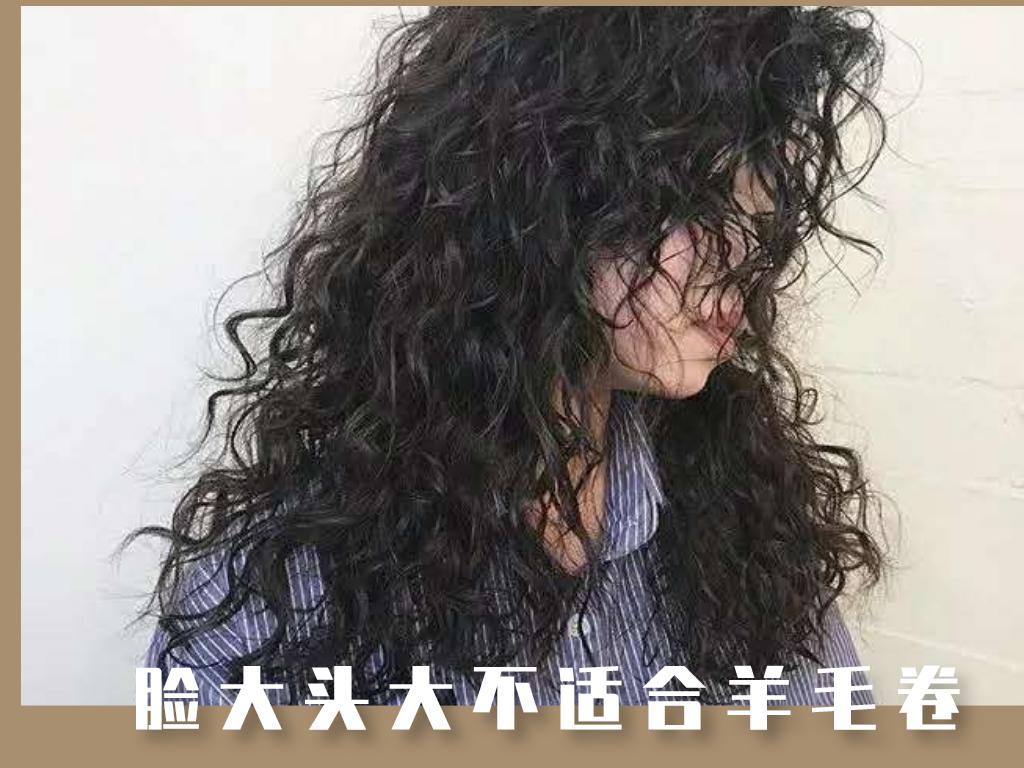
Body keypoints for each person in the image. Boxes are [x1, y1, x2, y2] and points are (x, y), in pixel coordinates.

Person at [127, 6, 892, 707]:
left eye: (759, 214)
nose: (744, 260)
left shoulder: (746, 520)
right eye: (696, 204)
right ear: (540, 201)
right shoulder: (274, 600)